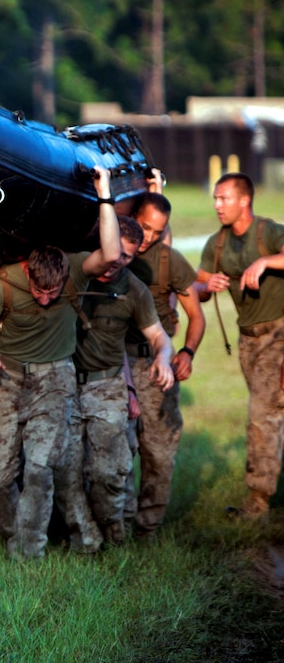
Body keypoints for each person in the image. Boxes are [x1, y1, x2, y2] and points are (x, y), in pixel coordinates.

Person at [0, 167, 120, 560]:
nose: (46, 299)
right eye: (39, 290)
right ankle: (15, 534)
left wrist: (104, 193)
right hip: (7, 379)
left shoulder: (75, 270)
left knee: (39, 469)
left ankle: (28, 553)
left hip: (55, 381)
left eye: (53, 293)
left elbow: (112, 253)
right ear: (29, 271)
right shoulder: (4, 282)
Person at [71, 216, 173, 545]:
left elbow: (159, 336)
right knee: (66, 469)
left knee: (107, 471)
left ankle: (114, 533)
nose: (117, 261)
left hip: (107, 384)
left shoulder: (133, 289)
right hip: (64, 383)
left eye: (127, 256)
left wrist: (163, 358)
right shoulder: (75, 272)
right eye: (115, 252)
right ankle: (83, 540)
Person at [197, 172, 284, 520]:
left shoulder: (267, 232)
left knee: (261, 417)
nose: (217, 205)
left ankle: (259, 504)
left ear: (244, 200)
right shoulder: (216, 244)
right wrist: (209, 285)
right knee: (272, 415)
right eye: (216, 199)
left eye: (224, 198)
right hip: (248, 340)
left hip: (278, 335)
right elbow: (198, 287)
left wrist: (265, 261)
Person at [124, 184, 204, 537]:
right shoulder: (118, 252)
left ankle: (148, 527)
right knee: (117, 451)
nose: (149, 237)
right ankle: (118, 526)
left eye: (158, 231)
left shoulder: (170, 260)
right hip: (118, 362)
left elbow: (195, 315)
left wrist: (187, 352)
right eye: (145, 227)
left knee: (159, 451)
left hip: (158, 363)